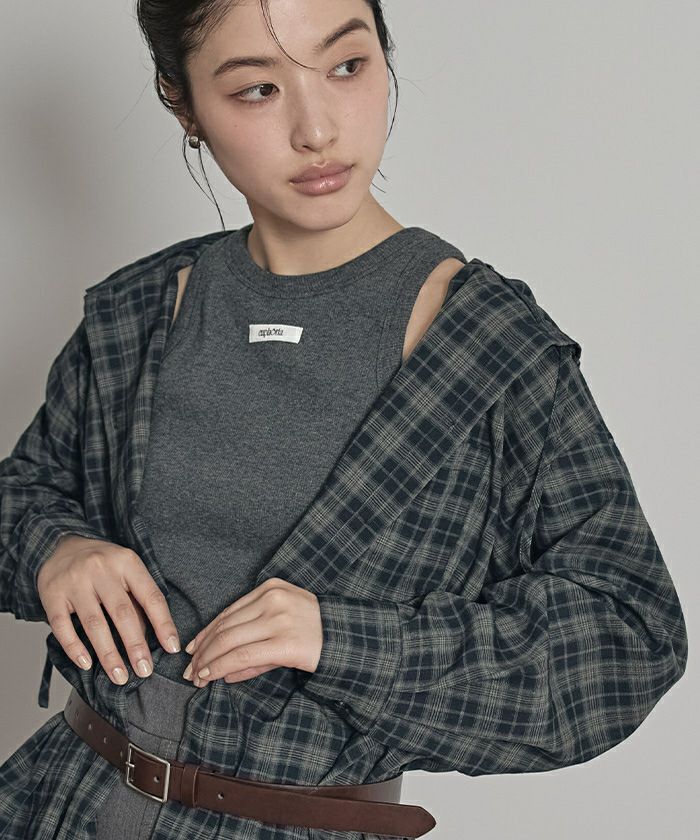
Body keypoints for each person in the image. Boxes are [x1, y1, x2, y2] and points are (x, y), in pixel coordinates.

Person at [0, 1, 689, 839]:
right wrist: (54, 550)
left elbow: (628, 640)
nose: (318, 129)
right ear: (183, 103)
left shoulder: (488, 350)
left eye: (348, 67)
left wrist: (343, 641)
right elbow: (20, 495)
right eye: (257, 89)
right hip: (55, 804)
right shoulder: (136, 313)